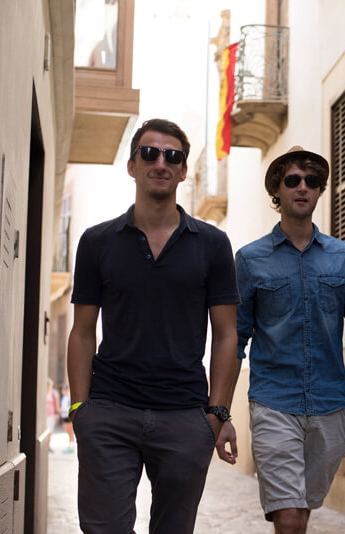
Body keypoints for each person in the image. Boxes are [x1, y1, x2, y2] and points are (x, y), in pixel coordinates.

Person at [66, 118, 241, 533]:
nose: (161, 163)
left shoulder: (213, 244)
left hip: (184, 415)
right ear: (132, 166)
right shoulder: (97, 241)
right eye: (149, 153)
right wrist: (79, 409)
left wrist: (216, 413)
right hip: (109, 411)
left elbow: (226, 335)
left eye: (172, 156)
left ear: (183, 171)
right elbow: (82, 331)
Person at [235, 146, 345, 534]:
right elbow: (234, 337)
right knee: (289, 516)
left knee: (302, 511)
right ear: (277, 189)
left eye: (312, 181)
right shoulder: (250, 259)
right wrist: (218, 409)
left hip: (329, 404)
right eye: (292, 180)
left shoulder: (344, 257)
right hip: (273, 401)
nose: (302, 187)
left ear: (321, 190)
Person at [59, 383, 76, 452]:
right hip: (64, 416)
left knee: (70, 431)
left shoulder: (69, 398)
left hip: (68, 416)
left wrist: (63, 410)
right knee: (67, 431)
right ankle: (71, 443)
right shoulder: (63, 398)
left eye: (66, 390)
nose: (64, 391)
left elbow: (69, 407)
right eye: (64, 390)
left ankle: (71, 444)